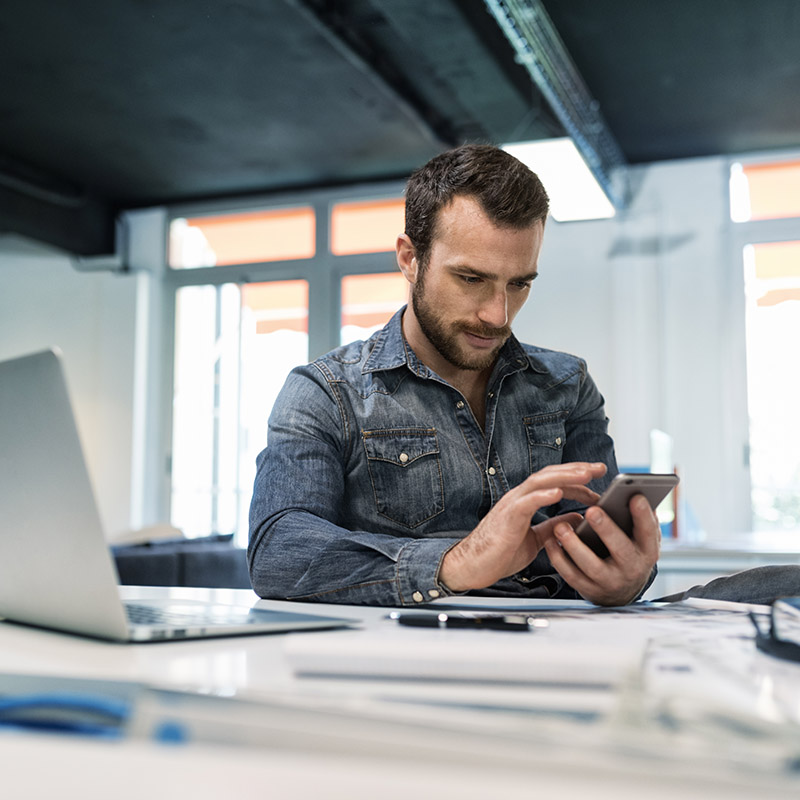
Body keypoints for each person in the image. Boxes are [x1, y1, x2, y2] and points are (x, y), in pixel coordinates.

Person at [248, 144, 660, 607]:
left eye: (519, 283)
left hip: (551, 653)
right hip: (404, 661)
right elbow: (278, 552)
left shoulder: (568, 386)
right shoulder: (325, 394)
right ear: (409, 257)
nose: (497, 314)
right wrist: (456, 564)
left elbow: (602, 548)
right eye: (471, 278)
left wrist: (626, 579)